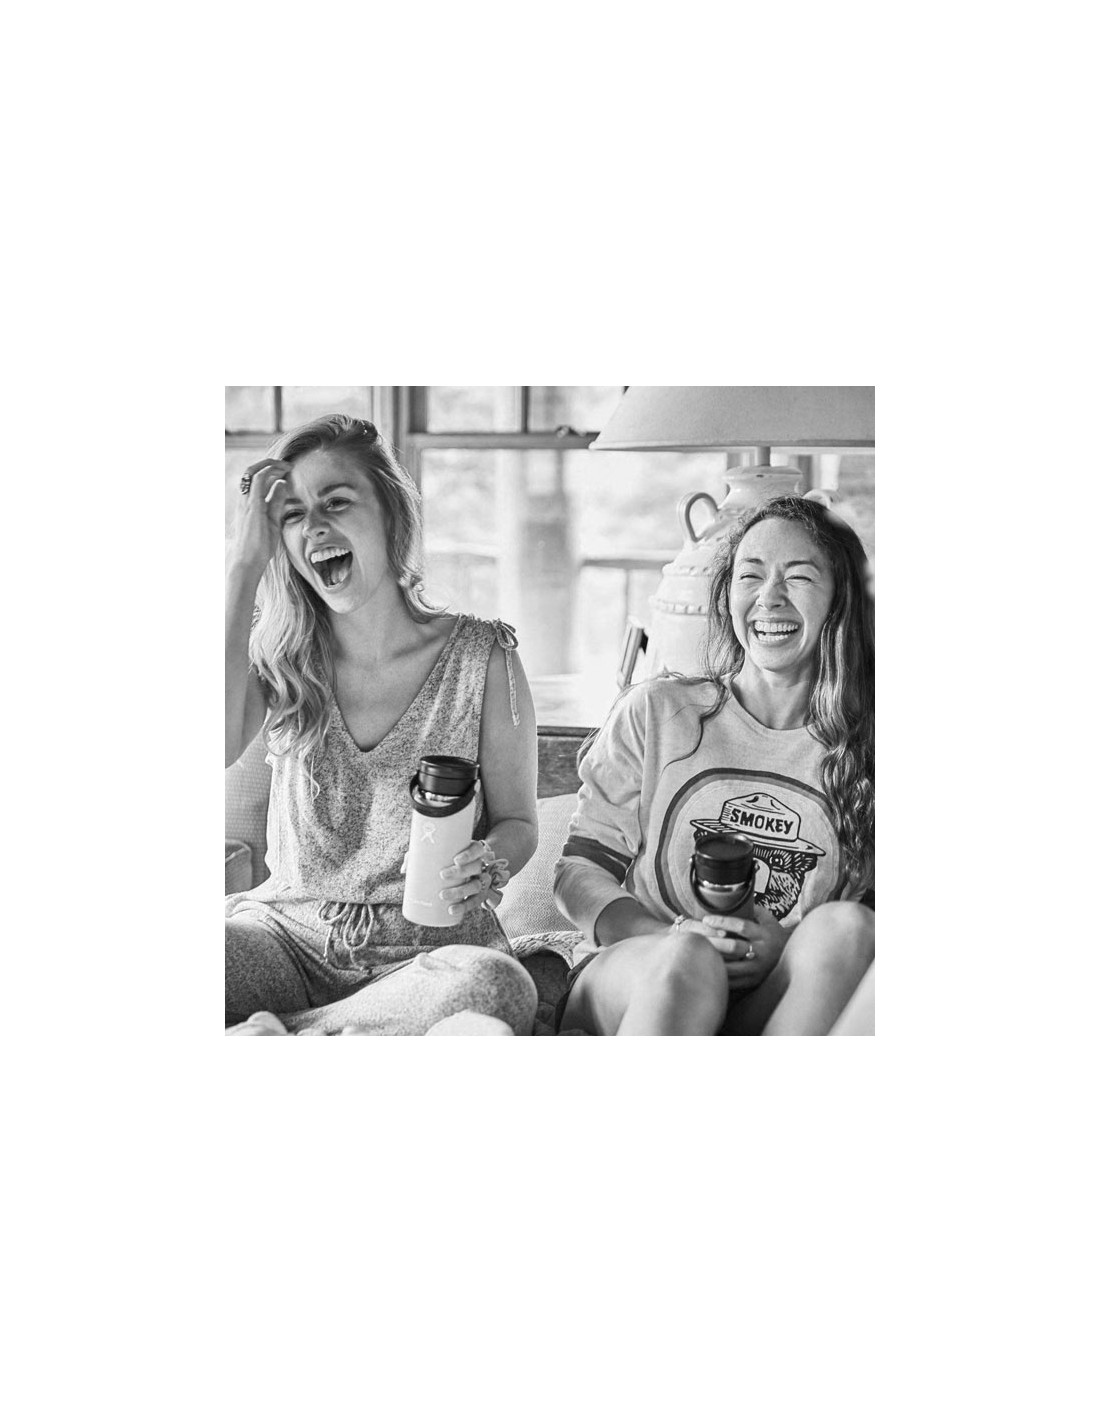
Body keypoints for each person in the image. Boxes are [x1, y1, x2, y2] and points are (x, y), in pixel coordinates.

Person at [225, 414, 539, 1035]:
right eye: (292, 515)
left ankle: (277, 1033)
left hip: (427, 950)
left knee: (495, 987)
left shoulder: (484, 656)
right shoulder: (279, 659)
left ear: (393, 516)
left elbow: (519, 823)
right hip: (286, 939)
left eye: (336, 502)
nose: (314, 526)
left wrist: (489, 860)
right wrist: (243, 564)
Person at [552, 495, 874, 1036]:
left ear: (841, 599)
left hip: (773, 998)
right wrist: (672, 937)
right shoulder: (657, 711)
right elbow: (578, 874)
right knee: (690, 959)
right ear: (727, 596)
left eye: (798, 577)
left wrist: (782, 948)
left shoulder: (875, 746)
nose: (769, 597)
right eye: (750, 576)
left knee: (849, 927)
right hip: (640, 974)